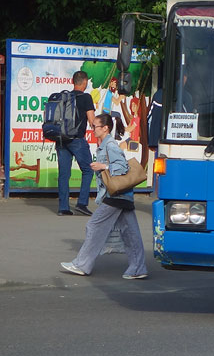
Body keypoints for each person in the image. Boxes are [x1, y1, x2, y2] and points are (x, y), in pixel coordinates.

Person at [60, 113, 148, 279]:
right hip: (123, 196)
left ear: (105, 128)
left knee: (94, 226)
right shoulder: (106, 144)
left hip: (114, 195)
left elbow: (122, 167)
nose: (92, 129)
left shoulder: (111, 145)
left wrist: (103, 166)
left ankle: (82, 264)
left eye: (95, 126)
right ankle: (138, 268)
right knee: (131, 233)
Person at [56, 70, 97, 216]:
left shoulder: (63, 97)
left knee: (64, 174)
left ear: (73, 82)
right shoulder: (86, 97)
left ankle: (63, 208)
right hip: (77, 140)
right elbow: (92, 121)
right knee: (88, 170)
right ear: (85, 82)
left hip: (61, 139)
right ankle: (81, 203)